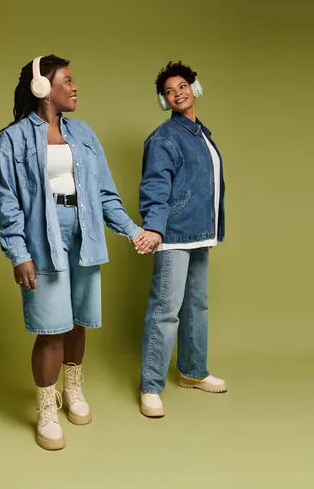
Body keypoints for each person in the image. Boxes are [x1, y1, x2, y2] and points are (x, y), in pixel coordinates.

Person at [0, 55, 152, 450]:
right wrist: (18, 252)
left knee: (78, 319)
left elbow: (104, 194)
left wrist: (133, 231)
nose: (75, 87)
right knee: (51, 327)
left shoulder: (83, 134)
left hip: (85, 232)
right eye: (68, 80)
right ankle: (46, 407)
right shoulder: (12, 139)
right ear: (43, 88)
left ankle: (73, 390)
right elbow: (6, 200)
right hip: (41, 236)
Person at [138, 60, 227, 418]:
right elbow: (155, 187)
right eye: (169, 92)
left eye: (182, 86)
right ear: (164, 101)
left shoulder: (201, 133)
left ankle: (192, 372)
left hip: (200, 233)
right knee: (165, 310)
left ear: (195, 87)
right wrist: (156, 228)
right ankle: (150, 385)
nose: (177, 93)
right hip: (174, 235)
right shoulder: (164, 138)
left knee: (196, 306)